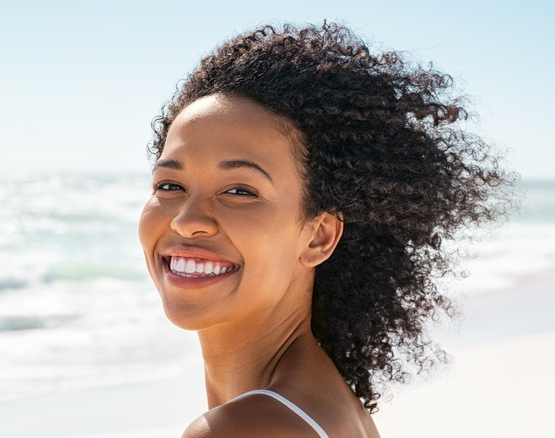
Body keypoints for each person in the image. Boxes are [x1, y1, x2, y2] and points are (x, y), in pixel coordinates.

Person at [138, 22, 509, 437]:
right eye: (169, 185)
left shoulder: (241, 430)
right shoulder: (327, 408)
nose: (187, 220)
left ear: (319, 236)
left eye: (240, 190)